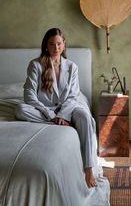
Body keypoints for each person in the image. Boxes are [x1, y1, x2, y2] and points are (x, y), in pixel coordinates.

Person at [15, 27, 97, 188]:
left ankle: (89, 169)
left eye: (59, 44)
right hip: (44, 110)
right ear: (46, 46)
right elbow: (29, 96)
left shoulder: (72, 67)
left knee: (86, 117)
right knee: (20, 109)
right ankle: (58, 122)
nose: (56, 48)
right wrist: (51, 115)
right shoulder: (35, 65)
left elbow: (73, 96)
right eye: (52, 44)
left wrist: (64, 115)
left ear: (64, 45)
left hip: (70, 108)